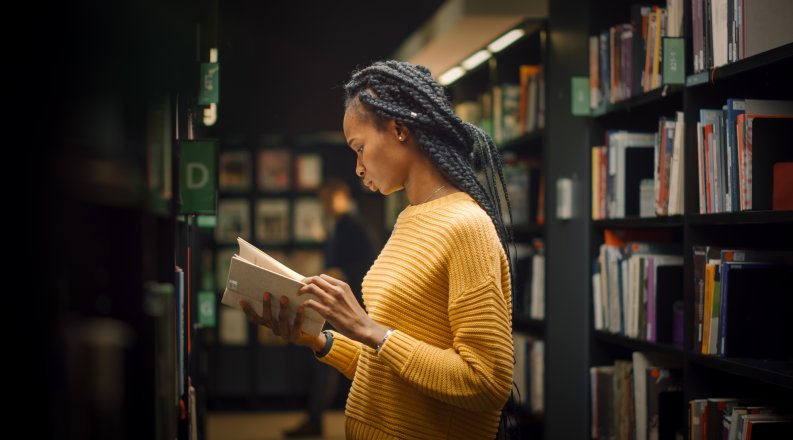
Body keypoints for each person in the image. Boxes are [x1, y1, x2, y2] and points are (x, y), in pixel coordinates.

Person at [241, 59, 515, 440]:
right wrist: (320, 340)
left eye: (360, 148)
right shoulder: (409, 219)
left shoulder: (466, 226)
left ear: (399, 129)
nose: (357, 167)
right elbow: (391, 372)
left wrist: (369, 330)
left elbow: (487, 382)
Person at [283, 177, 376, 437]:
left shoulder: (353, 224)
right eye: (321, 201)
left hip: (347, 304)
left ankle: (316, 419)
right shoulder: (340, 224)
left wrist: (341, 271)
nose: (324, 206)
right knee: (325, 360)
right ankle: (315, 418)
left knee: (327, 360)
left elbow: (369, 263)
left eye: (327, 199)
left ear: (342, 195)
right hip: (337, 302)